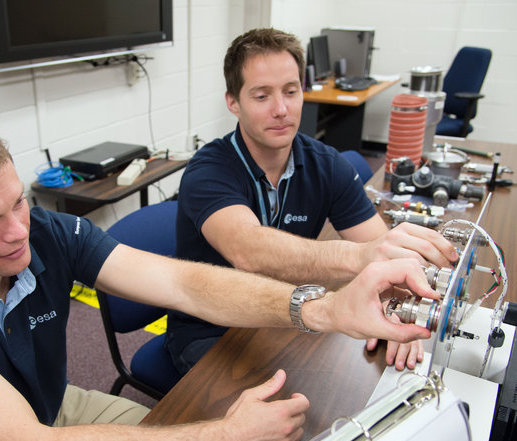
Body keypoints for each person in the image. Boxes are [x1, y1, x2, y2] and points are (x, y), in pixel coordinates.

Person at [0, 115, 438, 441]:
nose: (18, 232)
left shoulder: (47, 231)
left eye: (18, 202)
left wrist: (323, 309)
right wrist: (225, 437)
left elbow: (183, 284)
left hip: (48, 407)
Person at [165, 27, 458, 376]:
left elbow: (379, 252)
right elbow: (249, 251)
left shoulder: (326, 163)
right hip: (213, 330)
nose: (281, 109)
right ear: (233, 102)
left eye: (291, 91)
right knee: (277, 420)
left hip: (288, 314)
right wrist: (363, 256)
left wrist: (400, 312)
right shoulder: (208, 171)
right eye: (261, 96)